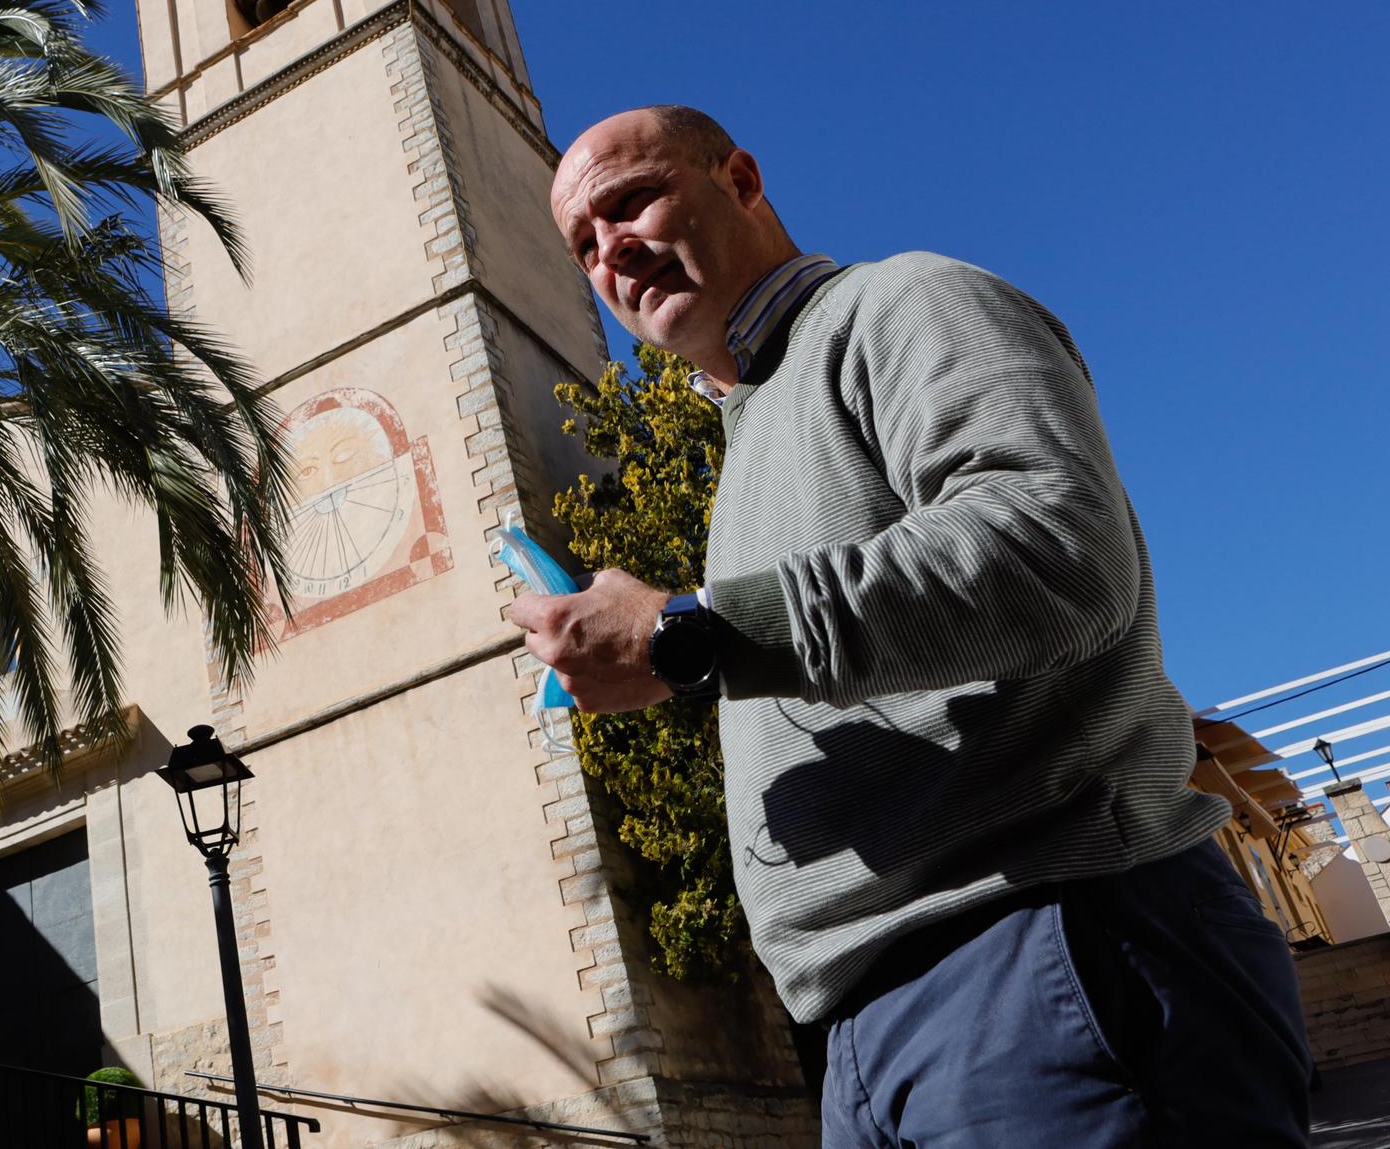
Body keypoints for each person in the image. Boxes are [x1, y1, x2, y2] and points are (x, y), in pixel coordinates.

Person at [507, 106, 1312, 1146]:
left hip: (1037, 950)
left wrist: (687, 634)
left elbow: (1051, 556)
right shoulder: (749, 429)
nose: (609, 249)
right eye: (582, 243)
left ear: (740, 179)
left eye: (631, 201)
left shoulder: (903, 303)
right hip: (869, 1027)